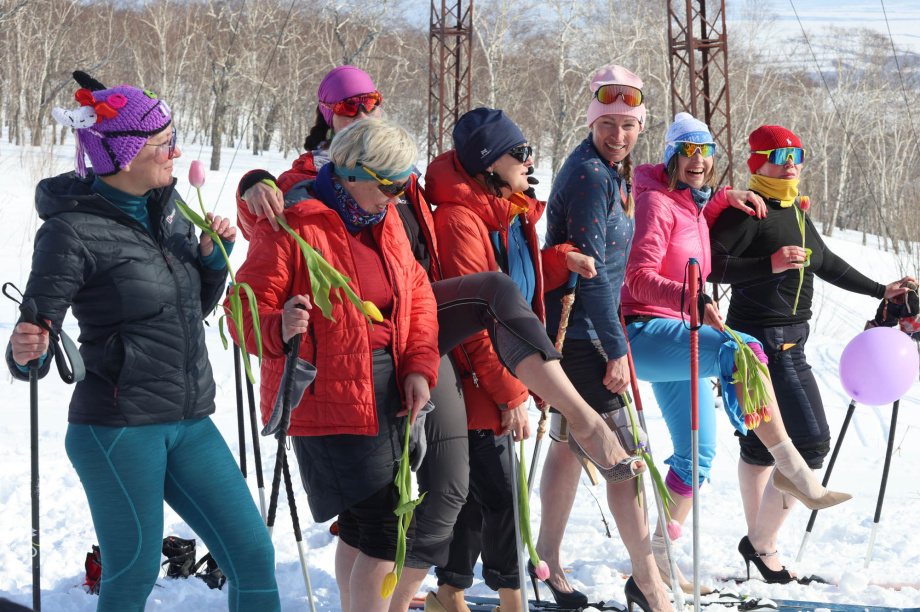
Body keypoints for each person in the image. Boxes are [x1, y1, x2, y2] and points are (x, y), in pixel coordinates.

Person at [233, 67, 649, 612]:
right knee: (383, 529)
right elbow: (244, 304)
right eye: (387, 185)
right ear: (349, 163)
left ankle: (392, 600)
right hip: (333, 392)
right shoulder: (301, 214)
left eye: (401, 186)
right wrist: (276, 318)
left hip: (390, 367)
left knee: (371, 527)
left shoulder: (385, 215)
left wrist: (416, 369)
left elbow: (420, 298)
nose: (396, 197)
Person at [5, 71, 279, 612]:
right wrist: (25, 353)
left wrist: (208, 261)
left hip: (189, 419)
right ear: (127, 155)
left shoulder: (168, 208)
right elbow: (36, 339)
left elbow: (186, 313)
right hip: (118, 428)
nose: (177, 152)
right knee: (130, 573)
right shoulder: (70, 231)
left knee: (251, 554)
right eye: (165, 144)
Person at [621, 113, 852, 590]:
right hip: (645, 331)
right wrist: (692, 298)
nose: (699, 161)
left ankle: (658, 562)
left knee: (697, 457)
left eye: (706, 152)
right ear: (671, 156)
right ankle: (791, 467)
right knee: (741, 347)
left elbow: (708, 235)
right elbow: (638, 277)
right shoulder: (655, 205)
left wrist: (726, 197)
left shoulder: (691, 207)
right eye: (689, 151)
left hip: (679, 336)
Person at [708, 125, 913, 583]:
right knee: (812, 441)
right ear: (756, 162)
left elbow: (826, 262)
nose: (791, 161)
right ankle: (761, 545)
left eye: (797, 152)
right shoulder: (749, 211)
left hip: (788, 338)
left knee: (760, 446)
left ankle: (760, 544)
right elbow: (711, 266)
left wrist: (881, 290)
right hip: (763, 342)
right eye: (780, 154)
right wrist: (770, 264)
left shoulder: (793, 208)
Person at [422, 107, 598, 612]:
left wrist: (556, 258)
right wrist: (512, 394)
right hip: (475, 377)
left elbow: (513, 284)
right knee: (501, 496)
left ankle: (451, 592)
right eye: (519, 153)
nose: (529, 160)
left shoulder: (508, 211)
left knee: (480, 498)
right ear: (487, 163)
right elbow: (475, 321)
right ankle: (510, 599)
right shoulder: (459, 220)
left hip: (504, 369)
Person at [538, 65, 672, 612]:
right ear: (593, 121)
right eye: (609, 123)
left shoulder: (610, 170)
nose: (619, 135)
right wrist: (616, 348)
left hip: (584, 328)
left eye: (629, 125)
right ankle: (648, 581)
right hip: (585, 333)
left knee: (570, 447)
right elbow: (591, 275)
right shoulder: (593, 176)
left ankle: (545, 558)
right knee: (627, 460)